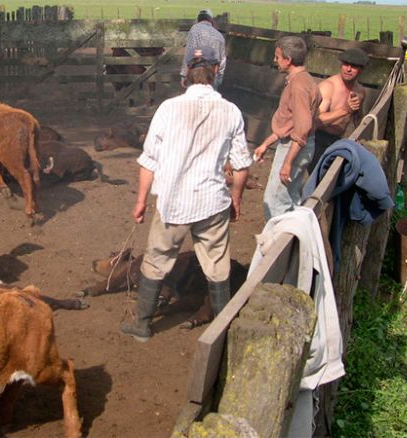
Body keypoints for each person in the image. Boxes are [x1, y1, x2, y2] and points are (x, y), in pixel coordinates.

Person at [121, 51, 252, 342]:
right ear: (215, 73)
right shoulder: (230, 111)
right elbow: (242, 165)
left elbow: (149, 160)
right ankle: (221, 330)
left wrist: (141, 201)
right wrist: (236, 198)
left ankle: (142, 325)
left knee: (157, 259)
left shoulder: (168, 109)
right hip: (212, 201)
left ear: (186, 77)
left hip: (173, 202)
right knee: (217, 264)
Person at [253, 36, 321, 221]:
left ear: (288, 60)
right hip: (298, 146)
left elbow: (302, 127)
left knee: (275, 203)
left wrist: (288, 162)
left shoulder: (298, 86)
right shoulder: (305, 80)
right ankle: (294, 243)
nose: (275, 61)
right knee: (290, 198)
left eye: (277, 57)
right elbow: (291, 122)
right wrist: (266, 144)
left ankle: (280, 245)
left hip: (294, 148)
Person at [309, 48, 368, 172]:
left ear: (361, 70)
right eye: (346, 64)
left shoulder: (360, 91)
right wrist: (345, 110)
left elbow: (358, 117)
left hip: (337, 140)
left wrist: (358, 136)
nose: (348, 69)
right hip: (317, 139)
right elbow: (317, 120)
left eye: (354, 66)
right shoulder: (328, 87)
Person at [181, 9, 227, 90]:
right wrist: (219, 77)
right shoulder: (219, 36)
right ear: (211, 20)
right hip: (213, 74)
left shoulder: (195, 29)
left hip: (197, 75)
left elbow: (189, 53)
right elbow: (222, 59)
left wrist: (184, 75)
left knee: (194, 100)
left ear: (198, 19)